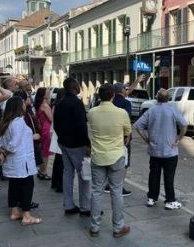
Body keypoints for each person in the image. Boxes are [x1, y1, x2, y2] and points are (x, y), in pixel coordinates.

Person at [87, 83, 131, 238]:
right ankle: (118, 227)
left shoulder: (92, 112)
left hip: (98, 156)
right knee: (116, 192)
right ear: (113, 95)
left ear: (99, 96)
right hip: (116, 156)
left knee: (97, 191)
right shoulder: (121, 113)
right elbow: (127, 133)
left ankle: (94, 226)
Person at [134, 88, 187, 210]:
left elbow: (138, 126)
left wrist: (147, 139)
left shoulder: (151, 110)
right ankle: (170, 200)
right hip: (170, 151)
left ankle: (152, 198)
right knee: (169, 176)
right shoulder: (172, 110)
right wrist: (179, 139)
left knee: (154, 174)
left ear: (157, 98)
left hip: (155, 150)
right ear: (168, 98)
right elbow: (184, 125)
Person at [0, 96, 42, 226]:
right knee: (27, 185)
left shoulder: (7, 122)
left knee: (14, 185)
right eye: (22, 103)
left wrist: (2, 152)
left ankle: (15, 211)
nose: (24, 104)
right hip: (22, 161)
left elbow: (1, 141)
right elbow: (14, 143)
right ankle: (26, 215)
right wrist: (5, 153)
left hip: (14, 162)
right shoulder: (19, 122)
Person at [53, 78, 91, 216]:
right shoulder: (76, 103)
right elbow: (81, 126)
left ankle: (68, 204)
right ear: (74, 87)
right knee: (84, 174)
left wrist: (61, 138)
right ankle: (85, 206)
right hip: (76, 144)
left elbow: (55, 124)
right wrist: (87, 143)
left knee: (67, 173)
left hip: (63, 142)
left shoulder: (60, 102)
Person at [107, 82, 134, 197]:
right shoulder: (126, 103)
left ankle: (109, 184)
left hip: (110, 135)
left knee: (111, 160)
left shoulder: (110, 102)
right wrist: (127, 135)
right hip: (122, 136)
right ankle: (120, 186)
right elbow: (126, 120)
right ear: (122, 90)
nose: (126, 90)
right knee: (124, 162)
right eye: (125, 88)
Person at [34, 87, 53, 180]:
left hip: (42, 128)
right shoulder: (45, 105)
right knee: (45, 152)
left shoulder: (40, 104)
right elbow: (51, 119)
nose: (49, 93)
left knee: (43, 150)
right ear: (43, 95)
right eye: (47, 92)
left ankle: (42, 170)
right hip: (47, 129)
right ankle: (43, 171)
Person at [50, 88, 65, 193]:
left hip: (56, 133)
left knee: (58, 160)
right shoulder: (61, 105)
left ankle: (55, 182)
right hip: (60, 134)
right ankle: (59, 184)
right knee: (61, 161)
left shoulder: (55, 104)